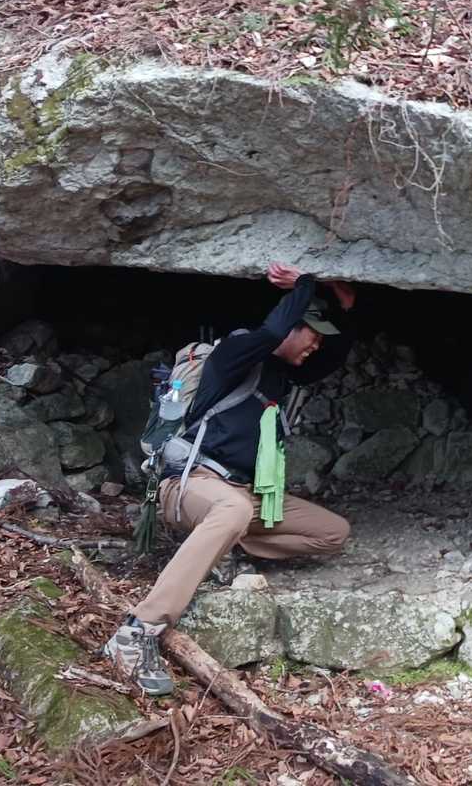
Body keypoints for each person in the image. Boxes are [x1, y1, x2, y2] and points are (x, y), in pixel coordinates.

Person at [104, 263, 355, 695]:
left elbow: (330, 360)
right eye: (312, 334)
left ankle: (222, 545)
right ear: (291, 329)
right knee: (232, 509)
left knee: (333, 533)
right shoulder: (232, 357)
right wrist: (305, 284)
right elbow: (271, 331)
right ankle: (137, 630)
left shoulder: (280, 374)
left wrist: (346, 311)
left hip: (242, 495)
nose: (317, 345)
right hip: (188, 485)